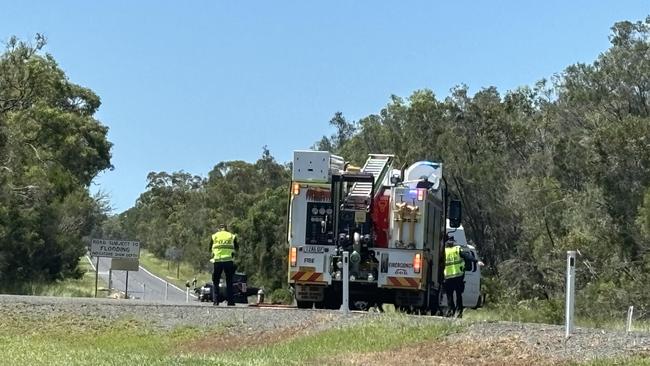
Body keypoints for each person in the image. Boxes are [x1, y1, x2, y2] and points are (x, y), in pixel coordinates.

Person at [443, 236, 476, 318]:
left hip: (448, 277)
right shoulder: (457, 250)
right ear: (453, 243)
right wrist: (476, 261)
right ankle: (459, 312)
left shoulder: (444, 251)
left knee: (449, 295)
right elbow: (467, 257)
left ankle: (451, 311)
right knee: (458, 295)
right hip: (458, 276)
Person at [209, 223, 239, 306]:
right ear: (226, 228)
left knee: (216, 281)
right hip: (228, 260)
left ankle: (216, 301)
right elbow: (237, 248)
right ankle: (230, 301)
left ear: (219, 229)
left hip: (217, 261)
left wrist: (214, 254)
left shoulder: (214, 236)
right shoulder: (231, 236)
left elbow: (210, 248)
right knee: (229, 281)